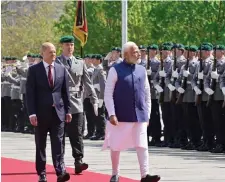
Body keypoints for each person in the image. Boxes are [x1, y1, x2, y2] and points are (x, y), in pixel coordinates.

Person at [103, 41, 160, 182]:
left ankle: (145, 174)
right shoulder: (115, 70)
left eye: (138, 51)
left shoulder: (141, 69)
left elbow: (146, 93)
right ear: (126, 54)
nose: (138, 53)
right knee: (116, 145)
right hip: (120, 115)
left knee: (142, 145)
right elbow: (108, 93)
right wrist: (111, 113)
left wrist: (147, 114)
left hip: (139, 115)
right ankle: (115, 173)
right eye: (134, 51)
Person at [26, 42, 71, 182]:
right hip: (40, 114)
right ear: (43, 53)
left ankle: (60, 171)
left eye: (54, 52)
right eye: (50, 52)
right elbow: (30, 93)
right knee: (41, 144)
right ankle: (42, 173)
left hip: (58, 112)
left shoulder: (61, 69)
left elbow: (65, 92)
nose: (54, 54)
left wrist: (68, 111)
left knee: (58, 142)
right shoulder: (34, 70)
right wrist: (32, 113)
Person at [55, 35, 98, 174]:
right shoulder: (56, 62)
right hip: (60, 103)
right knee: (59, 135)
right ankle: (60, 163)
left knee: (77, 134)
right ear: (62, 46)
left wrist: (94, 99)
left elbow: (87, 83)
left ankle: (78, 161)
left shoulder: (80, 63)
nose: (70, 47)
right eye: (67, 45)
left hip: (76, 103)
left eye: (72, 45)